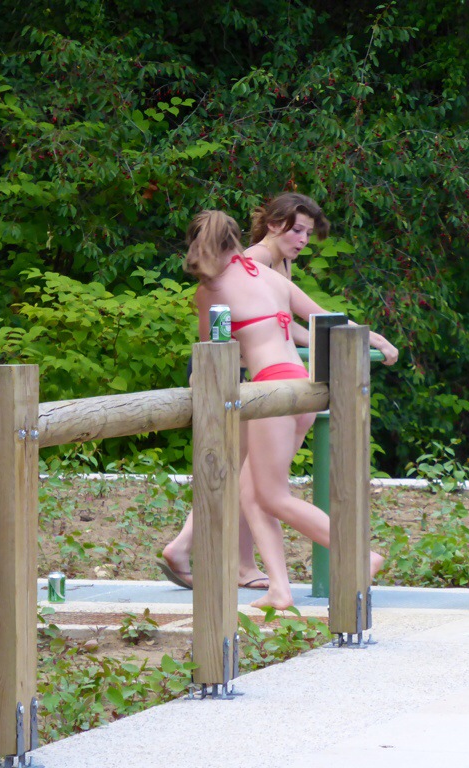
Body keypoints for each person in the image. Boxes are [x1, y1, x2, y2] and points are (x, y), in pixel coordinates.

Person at [164, 208, 399, 610]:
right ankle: (279, 589)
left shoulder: (211, 290)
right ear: (236, 239)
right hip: (302, 387)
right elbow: (325, 320)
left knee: (273, 497)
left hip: (269, 389)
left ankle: (362, 554)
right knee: (252, 493)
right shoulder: (270, 275)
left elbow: (213, 354)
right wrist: (374, 338)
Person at [159, 193, 330, 591]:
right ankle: (237, 563)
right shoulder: (254, 263)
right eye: (297, 231)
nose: (303, 240)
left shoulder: (263, 269)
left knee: (245, 477)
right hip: (236, 373)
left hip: (247, 373)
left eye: (308, 233)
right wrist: (369, 337)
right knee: (247, 479)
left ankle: (204, 553)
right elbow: (235, 336)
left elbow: (276, 324)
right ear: (272, 226)